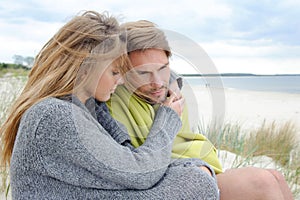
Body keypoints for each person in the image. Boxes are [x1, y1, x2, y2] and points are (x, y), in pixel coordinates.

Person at [0, 11, 219, 199]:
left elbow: (127, 162)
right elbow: (141, 173)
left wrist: (171, 83)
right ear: (86, 69)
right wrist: (169, 118)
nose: (121, 80)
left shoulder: (83, 109)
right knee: (196, 181)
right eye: (115, 72)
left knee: (194, 177)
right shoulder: (54, 116)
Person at [107, 20, 294, 200]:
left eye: (163, 69)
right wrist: (168, 117)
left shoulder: (171, 94)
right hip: (182, 180)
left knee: (277, 176)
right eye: (143, 73)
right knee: (263, 182)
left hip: (201, 168)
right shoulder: (114, 99)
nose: (157, 82)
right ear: (123, 72)